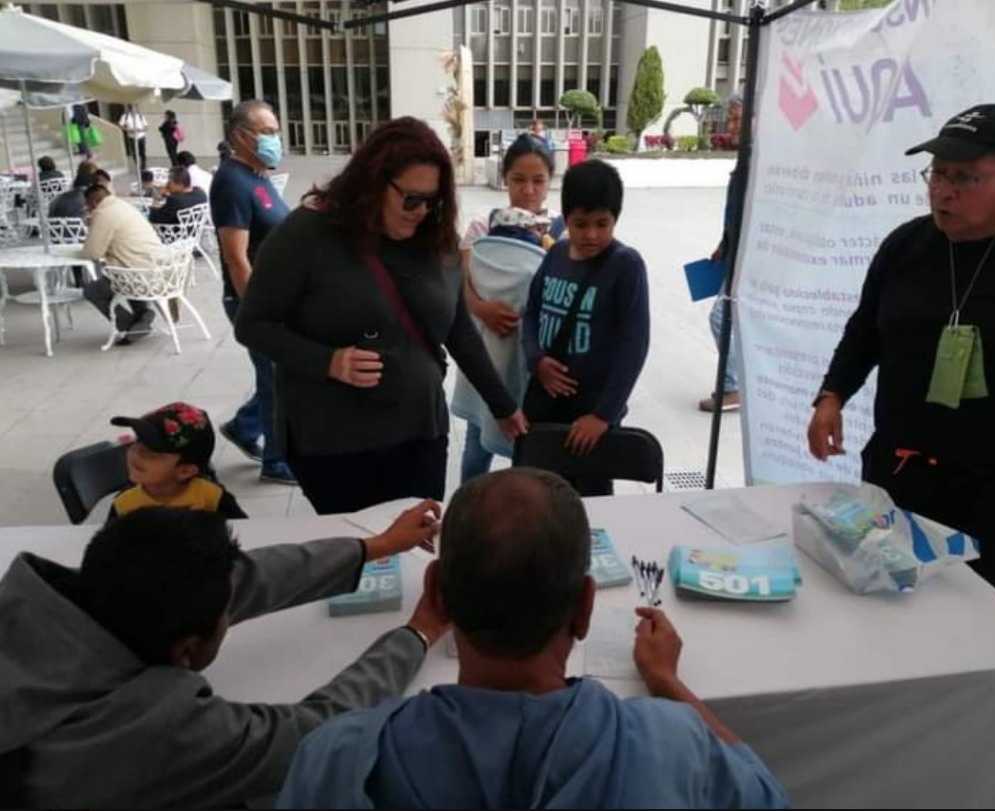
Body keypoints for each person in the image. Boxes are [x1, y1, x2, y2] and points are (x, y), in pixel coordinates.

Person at [278, 468, 789, 809]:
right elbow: (767, 796)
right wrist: (668, 682)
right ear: (585, 607)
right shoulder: (672, 744)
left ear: (436, 592)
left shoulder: (337, 759)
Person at [0, 503, 447, 808]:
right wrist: (419, 633)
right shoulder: (155, 733)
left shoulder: (60, 597)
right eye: (224, 617)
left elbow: (245, 579)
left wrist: (375, 547)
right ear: (186, 651)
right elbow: (311, 732)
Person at [235, 116, 528, 514]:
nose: (422, 210)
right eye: (411, 199)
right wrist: (328, 361)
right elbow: (253, 325)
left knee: (417, 546)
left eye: (434, 200)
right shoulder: (307, 234)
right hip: (334, 442)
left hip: (419, 432)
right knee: (358, 554)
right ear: (373, 183)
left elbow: (456, 325)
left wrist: (503, 404)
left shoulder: (432, 234)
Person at [807, 103, 995, 601]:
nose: (942, 191)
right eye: (937, 173)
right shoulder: (906, 246)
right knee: (883, 606)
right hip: (899, 475)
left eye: (965, 177)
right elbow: (865, 331)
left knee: (972, 630)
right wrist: (832, 395)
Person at [521, 159, 650, 496]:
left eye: (602, 224)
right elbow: (531, 313)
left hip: (592, 415)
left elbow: (633, 347)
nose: (591, 235)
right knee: (538, 497)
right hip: (545, 407)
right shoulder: (556, 254)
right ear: (566, 218)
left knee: (590, 505)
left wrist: (603, 416)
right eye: (580, 224)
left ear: (615, 219)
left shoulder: (626, 265)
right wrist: (536, 360)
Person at [455, 134, 563, 483]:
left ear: (550, 182)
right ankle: (469, 506)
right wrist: (482, 309)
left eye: (538, 181)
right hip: (489, 351)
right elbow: (462, 284)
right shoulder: (482, 226)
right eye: (519, 179)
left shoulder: (560, 232)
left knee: (530, 441)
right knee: (478, 438)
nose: (528, 190)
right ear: (505, 178)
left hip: (534, 357)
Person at [209, 99, 295, 486]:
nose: (274, 139)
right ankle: (276, 461)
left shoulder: (258, 177)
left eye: (275, 130)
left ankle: (245, 428)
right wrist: (257, 312)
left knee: (279, 371)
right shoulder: (231, 182)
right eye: (266, 132)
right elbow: (236, 257)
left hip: (279, 298)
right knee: (276, 376)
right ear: (240, 136)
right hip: (254, 302)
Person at [107, 402, 246, 521]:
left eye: (152, 453)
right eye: (138, 441)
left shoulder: (212, 497)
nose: (136, 452)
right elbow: (109, 547)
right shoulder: (124, 503)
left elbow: (244, 533)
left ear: (184, 471)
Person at [700, 94, 744, 414]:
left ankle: (732, 387)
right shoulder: (745, 162)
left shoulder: (761, 165)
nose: (731, 125)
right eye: (730, 118)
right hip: (735, 255)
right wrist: (723, 244)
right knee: (730, 320)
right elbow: (736, 214)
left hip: (749, 261)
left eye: (737, 118)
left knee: (721, 317)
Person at [81, 183, 163, 345]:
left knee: (93, 290)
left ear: (93, 203)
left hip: (137, 275)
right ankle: (142, 314)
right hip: (157, 269)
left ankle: (129, 325)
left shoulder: (104, 214)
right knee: (123, 271)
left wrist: (92, 225)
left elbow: (92, 253)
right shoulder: (123, 205)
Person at [118, 107, 148, 172]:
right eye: (132, 109)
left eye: (135, 109)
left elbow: (146, 127)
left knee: (142, 152)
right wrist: (128, 130)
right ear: (130, 109)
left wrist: (140, 130)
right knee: (134, 153)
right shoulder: (125, 116)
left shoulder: (140, 116)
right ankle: (137, 165)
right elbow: (120, 125)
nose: (134, 110)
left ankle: (143, 166)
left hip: (141, 136)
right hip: (132, 137)